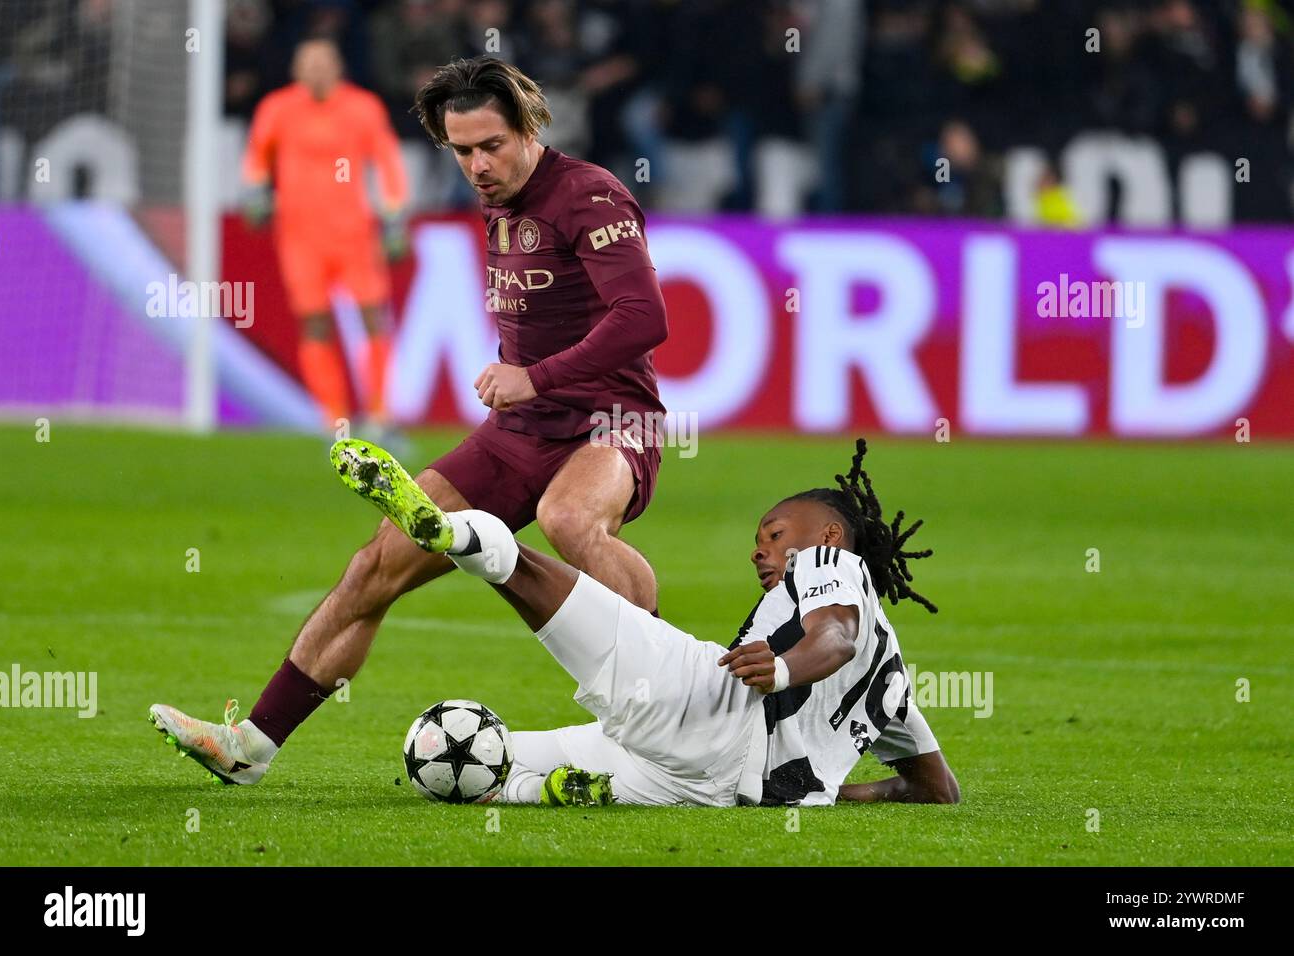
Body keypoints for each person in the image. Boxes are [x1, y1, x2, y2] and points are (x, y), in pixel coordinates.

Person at [150, 56, 669, 784]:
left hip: (615, 421)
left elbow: (644, 317)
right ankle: (250, 747)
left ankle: (666, 697)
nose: (478, 165)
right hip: (521, 432)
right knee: (375, 567)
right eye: (462, 151)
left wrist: (534, 375)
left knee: (571, 520)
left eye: (491, 145)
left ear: (526, 130)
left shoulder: (590, 196)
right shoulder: (498, 201)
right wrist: (527, 382)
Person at [327, 437, 959, 808]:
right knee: (487, 762)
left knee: (519, 566)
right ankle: (540, 790)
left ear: (826, 536)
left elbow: (837, 635)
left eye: (773, 534)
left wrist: (787, 666)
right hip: (713, 788)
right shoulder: (894, 682)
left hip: (706, 708)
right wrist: (837, 787)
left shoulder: (829, 562)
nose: (759, 550)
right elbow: (937, 790)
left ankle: (452, 531)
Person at [242, 37, 409, 430]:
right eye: (308, 64)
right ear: (296, 70)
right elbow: (256, 158)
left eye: (323, 63)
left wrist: (395, 217)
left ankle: (381, 414)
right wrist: (254, 192)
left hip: (353, 234)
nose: (316, 71)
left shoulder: (362, 107)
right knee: (315, 323)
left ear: (338, 67)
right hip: (300, 237)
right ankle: (333, 419)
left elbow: (388, 164)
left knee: (372, 318)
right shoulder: (277, 108)